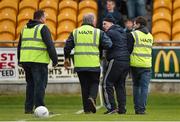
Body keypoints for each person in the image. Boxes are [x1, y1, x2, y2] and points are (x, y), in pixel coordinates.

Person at [64, 13, 112, 114]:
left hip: (80, 65)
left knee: (84, 86)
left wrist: (67, 58)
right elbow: (109, 44)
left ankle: (87, 110)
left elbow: (67, 47)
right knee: (94, 82)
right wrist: (100, 47)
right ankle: (92, 98)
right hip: (93, 63)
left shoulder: (75, 32)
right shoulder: (98, 32)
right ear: (93, 21)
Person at [17, 10, 58, 114]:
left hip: (26, 61)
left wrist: (19, 60)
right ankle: (40, 109)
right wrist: (55, 60)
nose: (46, 19)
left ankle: (28, 108)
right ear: (41, 18)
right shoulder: (43, 28)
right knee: (40, 85)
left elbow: (19, 46)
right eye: (45, 17)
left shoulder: (24, 28)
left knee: (30, 85)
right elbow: (50, 45)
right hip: (38, 61)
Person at [102, 14, 130, 114]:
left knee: (106, 84)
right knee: (120, 85)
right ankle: (122, 109)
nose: (103, 26)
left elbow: (105, 45)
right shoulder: (122, 31)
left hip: (116, 60)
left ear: (110, 23)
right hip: (126, 60)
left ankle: (111, 107)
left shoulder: (109, 32)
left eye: (105, 23)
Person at [127, 16, 153, 114]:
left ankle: (137, 108)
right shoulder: (150, 36)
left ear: (138, 24)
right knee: (144, 88)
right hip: (146, 65)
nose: (133, 25)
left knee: (136, 86)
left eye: (134, 23)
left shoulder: (133, 34)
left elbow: (128, 50)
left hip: (135, 64)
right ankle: (142, 109)